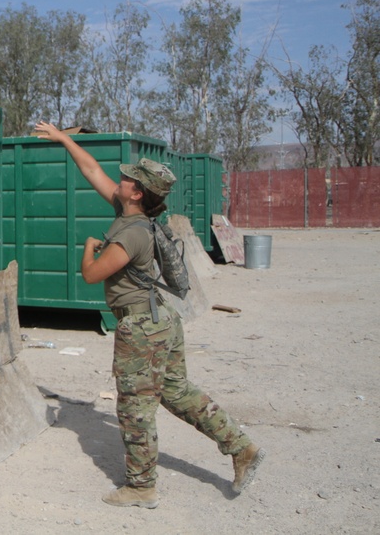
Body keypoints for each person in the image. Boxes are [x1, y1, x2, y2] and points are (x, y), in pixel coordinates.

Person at [34, 121, 265, 509]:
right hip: (161, 321)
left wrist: (90, 246)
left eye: (127, 180)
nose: (119, 180)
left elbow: (92, 274)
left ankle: (142, 487)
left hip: (141, 327)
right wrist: (63, 139)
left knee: (134, 407)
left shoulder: (131, 233)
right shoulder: (131, 213)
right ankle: (242, 448)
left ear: (137, 193)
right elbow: (93, 170)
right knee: (175, 392)